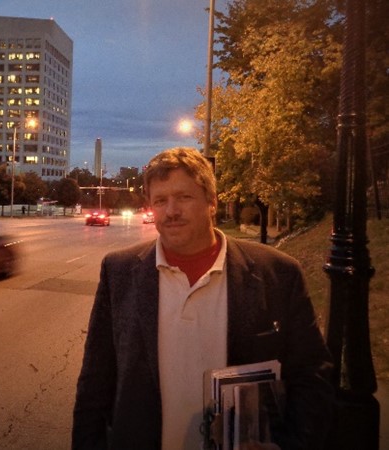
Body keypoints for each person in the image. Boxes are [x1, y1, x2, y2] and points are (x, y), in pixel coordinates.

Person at [72, 147, 334, 450]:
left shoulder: (278, 273)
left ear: (212, 202)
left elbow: (312, 377)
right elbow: (95, 382)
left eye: (184, 197)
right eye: (160, 200)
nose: (171, 211)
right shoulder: (119, 271)